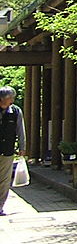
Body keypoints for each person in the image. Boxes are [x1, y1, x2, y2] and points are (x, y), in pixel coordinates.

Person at [0, 86, 25, 216]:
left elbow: (20, 130)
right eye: (10, 99)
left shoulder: (15, 111)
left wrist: (22, 147)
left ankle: (0, 206)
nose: (12, 101)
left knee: (4, 180)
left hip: (7, 150)